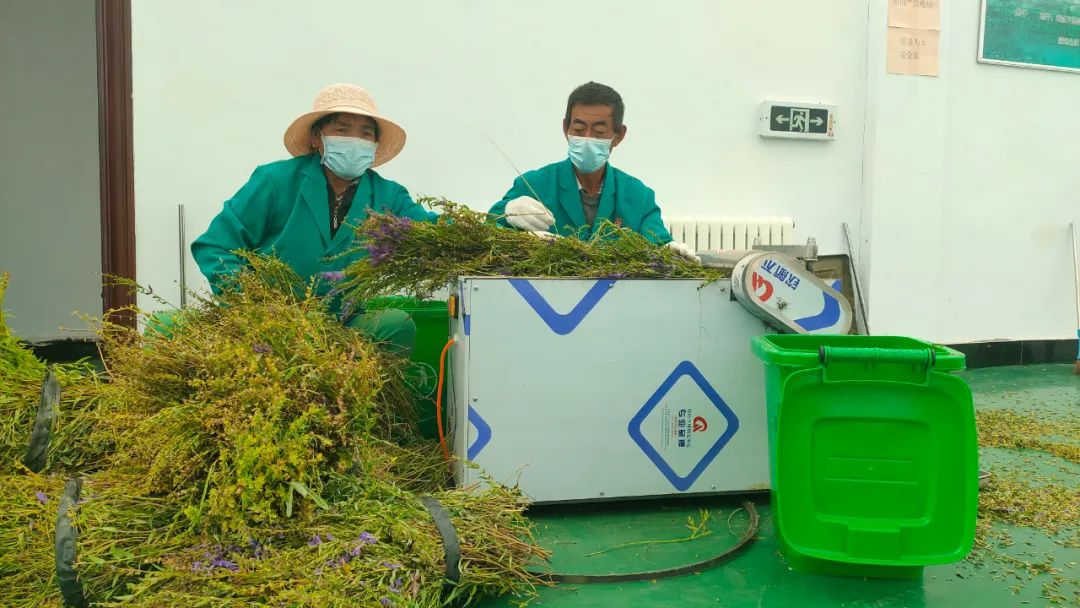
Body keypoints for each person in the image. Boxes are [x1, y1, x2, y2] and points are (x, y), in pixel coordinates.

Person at [190, 83, 434, 355]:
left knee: (396, 324)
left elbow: (431, 231)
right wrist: (250, 304)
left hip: (343, 324)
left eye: (366, 134)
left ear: (374, 146)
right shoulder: (275, 181)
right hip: (271, 324)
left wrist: (484, 227)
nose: (355, 140)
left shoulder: (389, 195)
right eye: (342, 130)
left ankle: (368, 394)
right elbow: (215, 246)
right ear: (318, 138)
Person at [489, 81, 698, 261]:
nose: (587, 139)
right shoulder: (533, 185)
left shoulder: (638, 197)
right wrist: (506, 213)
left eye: (599, 132)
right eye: (579, 130)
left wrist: (668, 251)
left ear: (618, 135)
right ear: (566, 128)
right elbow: (485, 231)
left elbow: (657, 242)